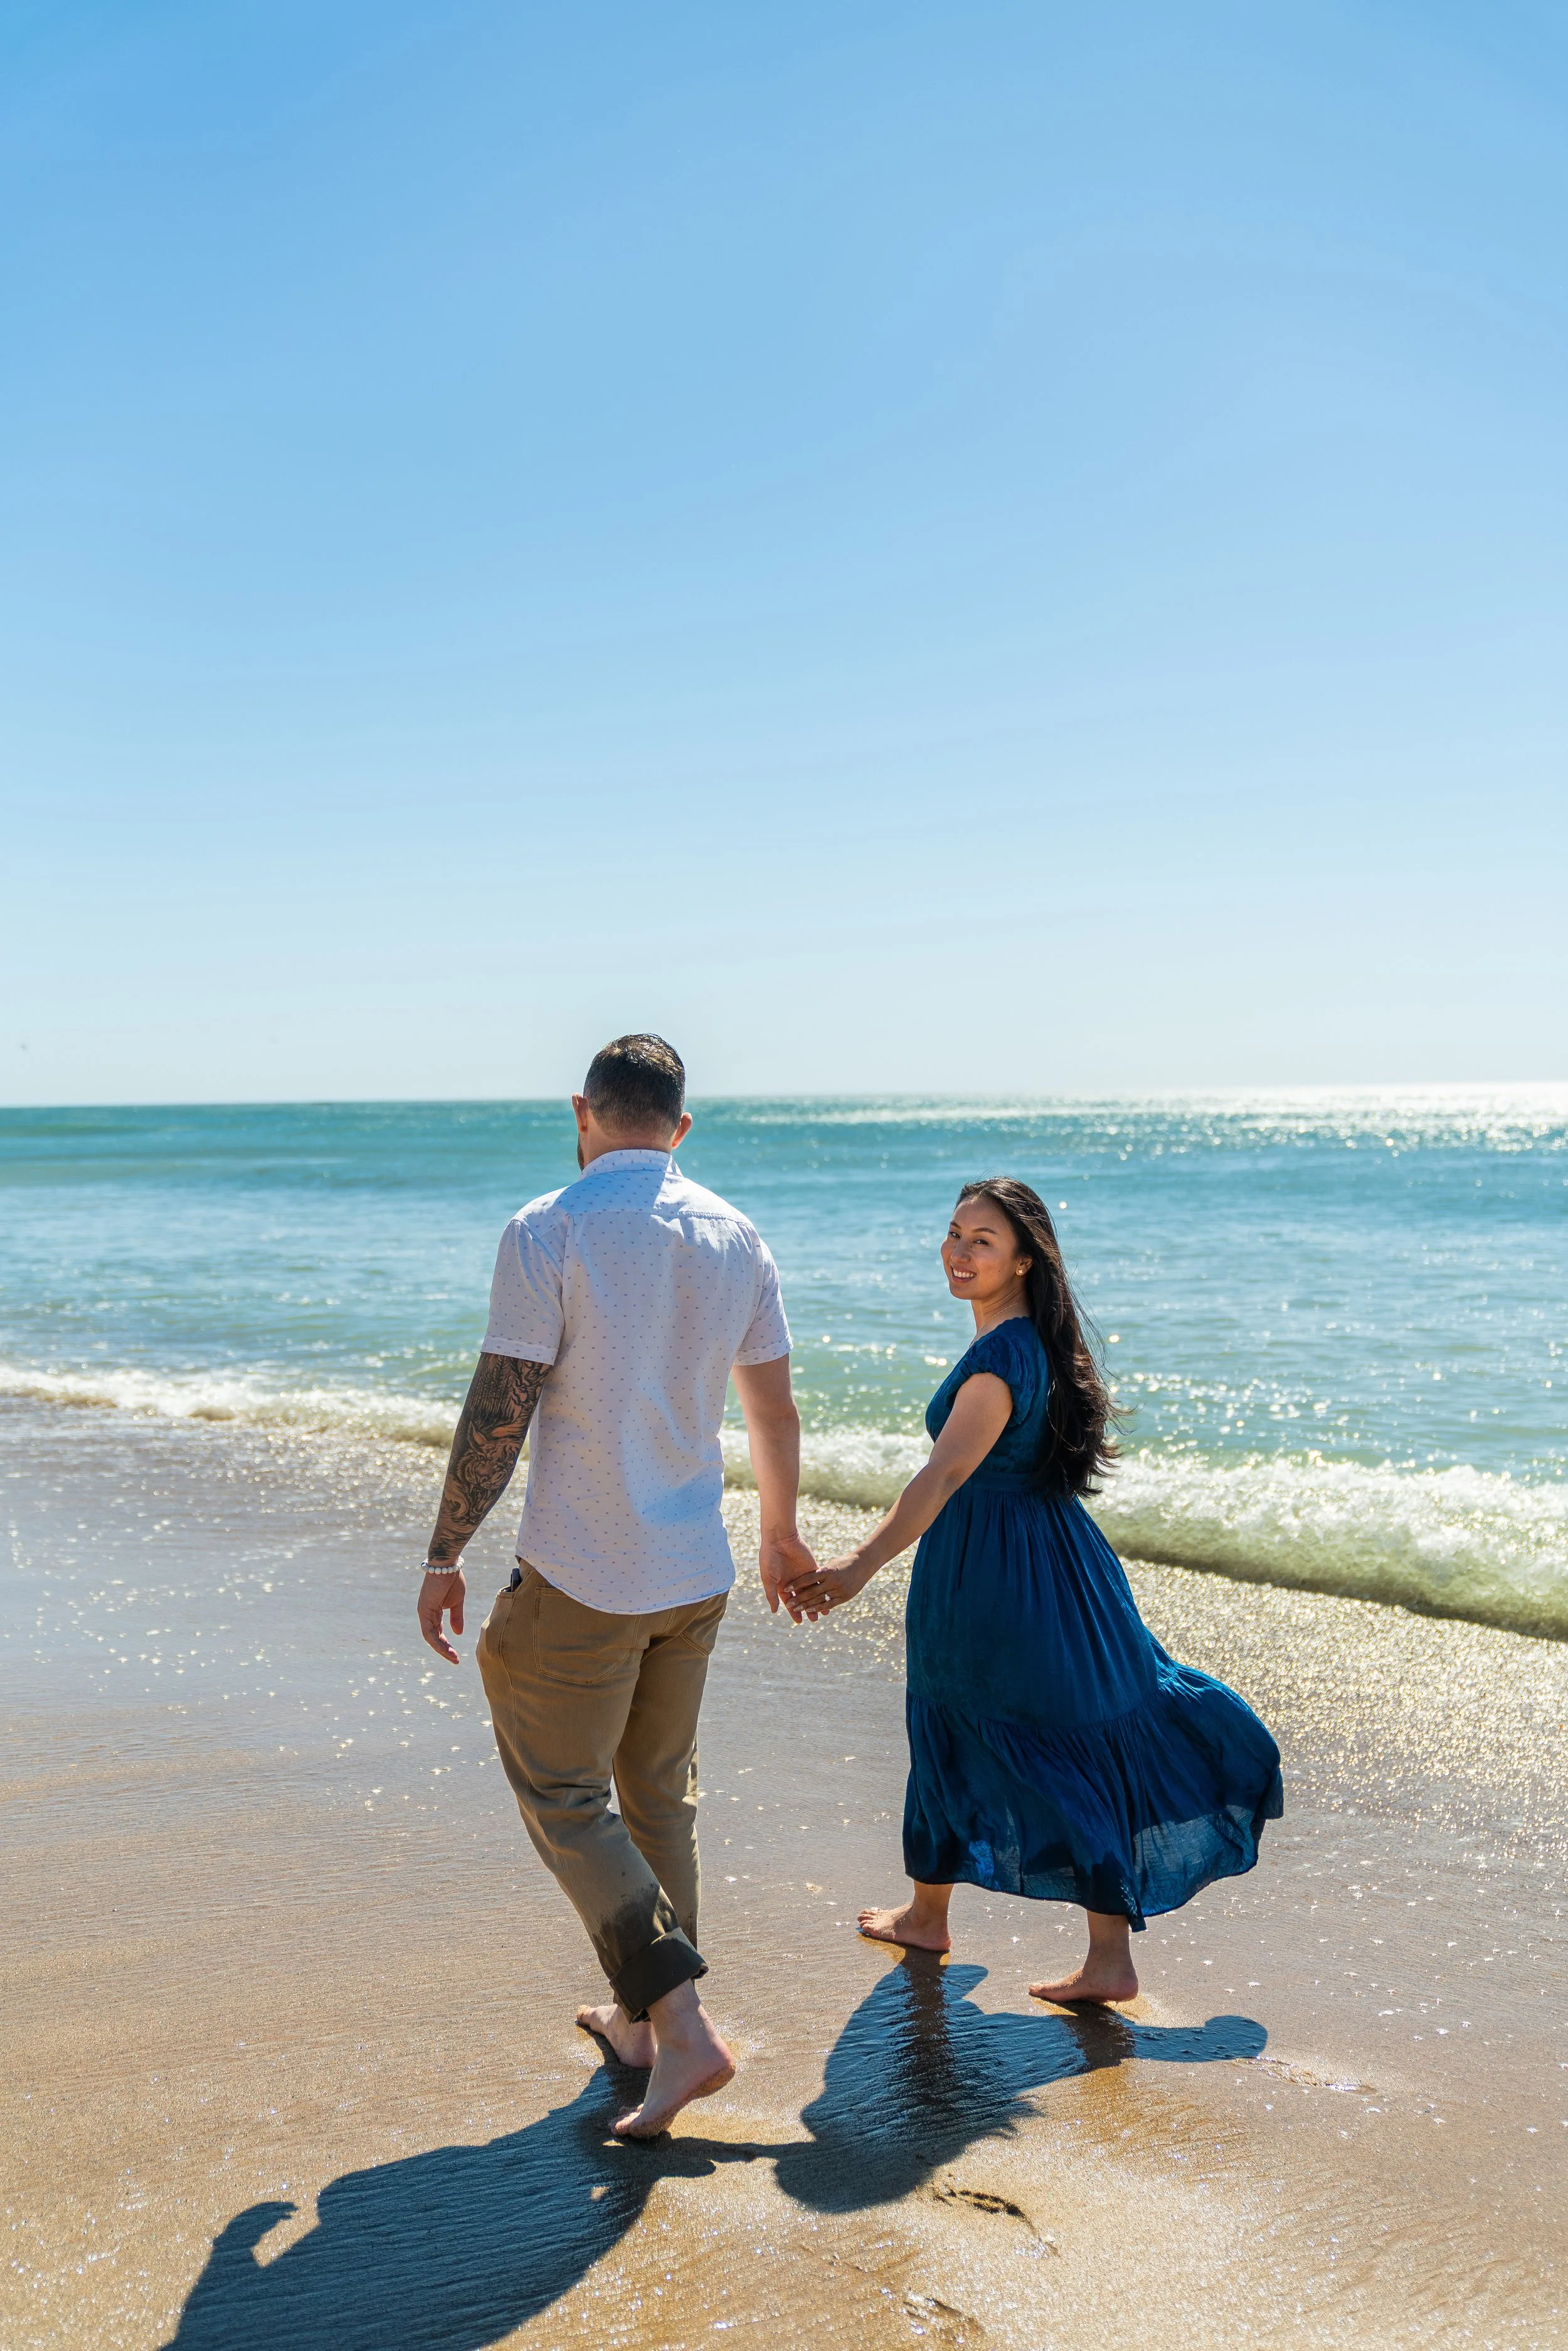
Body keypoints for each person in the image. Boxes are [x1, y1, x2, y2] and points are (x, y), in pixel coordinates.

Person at [416, 1034, 815, 2135]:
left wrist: (446, 1551)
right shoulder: (737, 1235)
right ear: (681, 1128)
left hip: (588, 1569)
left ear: (583, 1114)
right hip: (697, 1569)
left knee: (566, 1796)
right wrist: (781, 1535)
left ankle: (681, 2030)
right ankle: (643, 2027)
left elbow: (502, 1405)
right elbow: (772, 1412)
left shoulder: (550, 1227)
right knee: (656, 1796)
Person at [781, 1177, 1283, 2004]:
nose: (960, 1251)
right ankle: (937, 1916)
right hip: (1045, 1559)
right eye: (953, 1233)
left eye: (983, 1240)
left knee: (1014, 1735)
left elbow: (944, 1475)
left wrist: (856, 1568)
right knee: (988, 1724)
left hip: (997, 1574)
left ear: (1023, 1260)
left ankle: (1089, 1957)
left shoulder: (1002, 1355)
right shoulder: (1034, 1344)